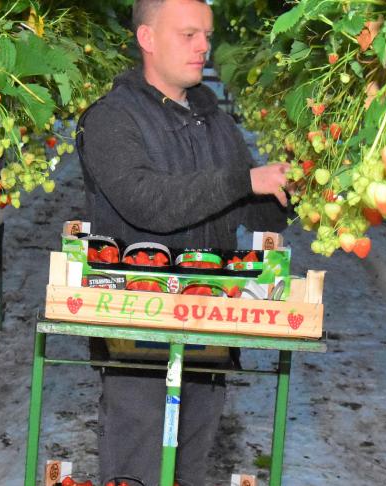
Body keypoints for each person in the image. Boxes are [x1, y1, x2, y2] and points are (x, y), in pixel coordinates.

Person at [76, 0, 289, 484]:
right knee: (138, 462)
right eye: (188, 35)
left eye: (206, 35)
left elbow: (249, 208)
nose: (204, 47)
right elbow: (146, 201)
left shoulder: (213, 120)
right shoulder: (111, 119)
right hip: (135, 328)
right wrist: (244, 181)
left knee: (191, 464)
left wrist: (290, 190)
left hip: (209, 322)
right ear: (148, 39)